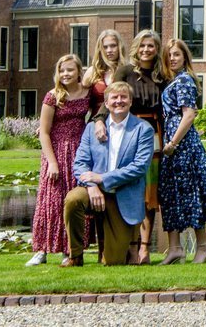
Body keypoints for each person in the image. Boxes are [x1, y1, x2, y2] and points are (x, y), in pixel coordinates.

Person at [94, 29, 170, 264]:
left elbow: (166, 111)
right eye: (143, 45)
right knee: (130, 188)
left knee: (149, 194)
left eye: (151, 46)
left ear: (157, 49)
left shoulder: (161, 75)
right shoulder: (126, 71)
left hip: (154, 133)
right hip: (127, 132)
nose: (147, 50)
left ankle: (145, 249)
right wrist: (99, 120)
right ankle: (130, 246)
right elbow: (112, 97)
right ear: (137, 47)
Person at [62, 81, 154, 266]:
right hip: (93, 191)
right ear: (106, 102)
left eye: (123, 97)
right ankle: (75, 255)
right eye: (114, 97)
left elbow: (139, 167)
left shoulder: (143, 129)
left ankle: (122, 250)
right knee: (73, 199)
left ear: (130, 101)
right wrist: (92, 185)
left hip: (123, 195)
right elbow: (80, 164)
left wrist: (102, 178)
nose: (119, 101)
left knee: (112, 262)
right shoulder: (92, 129)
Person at [158, 38, 206, 264]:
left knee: (191, 193)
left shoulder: (184, 81)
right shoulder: (173, 81)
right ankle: (175, 248)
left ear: (185, 57)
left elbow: (189, 114)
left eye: (177, 54)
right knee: (172, 194)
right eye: (169, 55)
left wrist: (173, 143)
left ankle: (203, 246)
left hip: (183, 145)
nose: (172, 58)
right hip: (174, 144)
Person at [26, 54, 92, 266]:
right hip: (55, 152)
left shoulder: (86, 93)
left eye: (70, 70)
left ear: (79, 71)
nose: (66, 74)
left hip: (79, 152)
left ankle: (70, 249)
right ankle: (41, 250)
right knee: (50, 201)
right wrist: (52, 162)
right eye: (62, 70)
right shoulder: (53, 96)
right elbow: (44, 132)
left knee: (72, 202)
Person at [83, 29, 124, 114]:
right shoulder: (92, 72)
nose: (109, 50)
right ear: (100, 49)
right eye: (105, 47)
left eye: (113, 46)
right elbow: (80, 100)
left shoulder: (126, 70)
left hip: (121, 122)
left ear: (119, 47)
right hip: (96, 122)